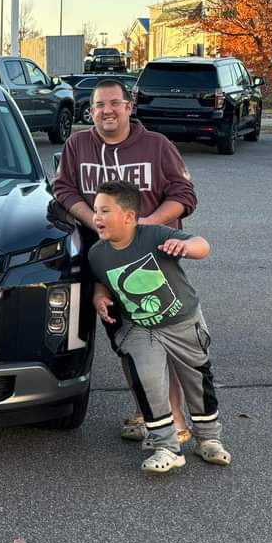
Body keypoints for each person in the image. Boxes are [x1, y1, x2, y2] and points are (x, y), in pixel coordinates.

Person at [53, 79, 197, 443]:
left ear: (130, 107)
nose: (108, 111)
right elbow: (64, 189)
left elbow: (184, 195)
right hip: (104, 262)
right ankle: (148, 412)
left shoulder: (157, 146)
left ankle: (177, 422)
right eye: (100, 105)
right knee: (129, 340)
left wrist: (146, 225)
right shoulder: (78, 145)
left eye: (115, 103)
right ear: (92, 111)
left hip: (153, 262)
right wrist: (95, 223)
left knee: (162, 340)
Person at [87, 180, 231, 473]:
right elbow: (101, 280)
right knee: (149, 383)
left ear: (129, 216)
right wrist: (100, 297)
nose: (97, 217)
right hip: (141, 329)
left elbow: (203, 246)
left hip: (183, 322)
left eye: (104, 211)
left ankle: (209, 439)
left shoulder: (153, 235)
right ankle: (166, 446)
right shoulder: (97, 253)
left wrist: (186, 246)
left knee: (197, 380)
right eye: (95, 211)